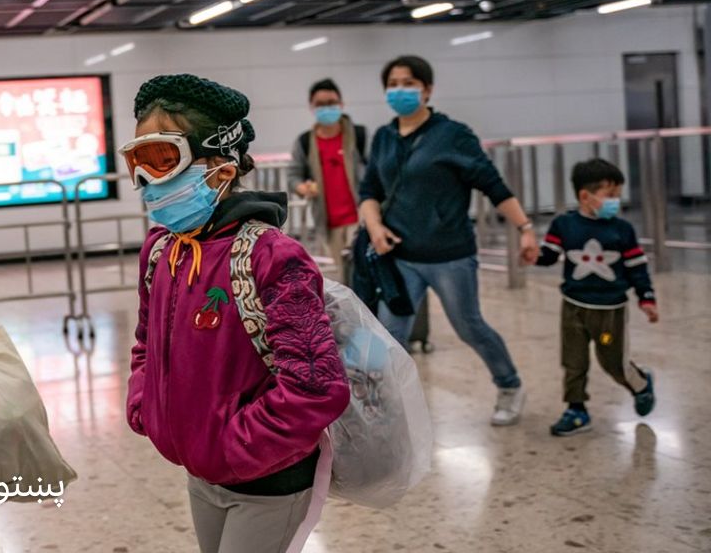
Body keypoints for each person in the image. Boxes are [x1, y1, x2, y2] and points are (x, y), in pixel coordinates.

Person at [123, 74, 349, 553]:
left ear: (219, 167)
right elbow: (146, 342)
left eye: (162, 159)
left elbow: (316, 387)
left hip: (268, 479)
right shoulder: (162, 251)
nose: (146, 180)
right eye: (137, 161)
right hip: (201, 471)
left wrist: (234, 445)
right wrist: (146, 406)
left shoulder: (273, 257)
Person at [359, 55, 539, 426]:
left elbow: (493, 184)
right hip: (400, 256)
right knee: (390, 333)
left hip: (449, 256)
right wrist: (375, 227)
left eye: (409, 83)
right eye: (393, 84)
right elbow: (370, 190)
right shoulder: (384, 137)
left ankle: (510, 385)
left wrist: (525, 228)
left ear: (427, 90)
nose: (400, 90)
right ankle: (381, 407)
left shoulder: (453, 134)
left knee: (469, 326)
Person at [535, 159, 658, 436]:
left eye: (617, 195)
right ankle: (576, 409)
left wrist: (647, 297)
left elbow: (636, 267)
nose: (615, 201)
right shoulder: (564, 225)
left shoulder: (622, 230)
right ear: (584, 196)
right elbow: (549, 255)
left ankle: (640, 383)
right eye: (609, 195)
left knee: (612, 361)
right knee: (573, 361)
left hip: (609, 313)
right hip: (574, 308)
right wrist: (533, 255)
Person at [287, 79, 369, 273]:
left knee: (365, 272)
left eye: (331, 103)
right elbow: (293, 175)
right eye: (320, 104)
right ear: (312, 107)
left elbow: (375, 171)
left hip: (362, 218)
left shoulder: (359, 135)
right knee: (344, 273)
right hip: (329, 224)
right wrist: (301, 187)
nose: (326, 108)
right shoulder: (305, 142)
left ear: (341, 104)